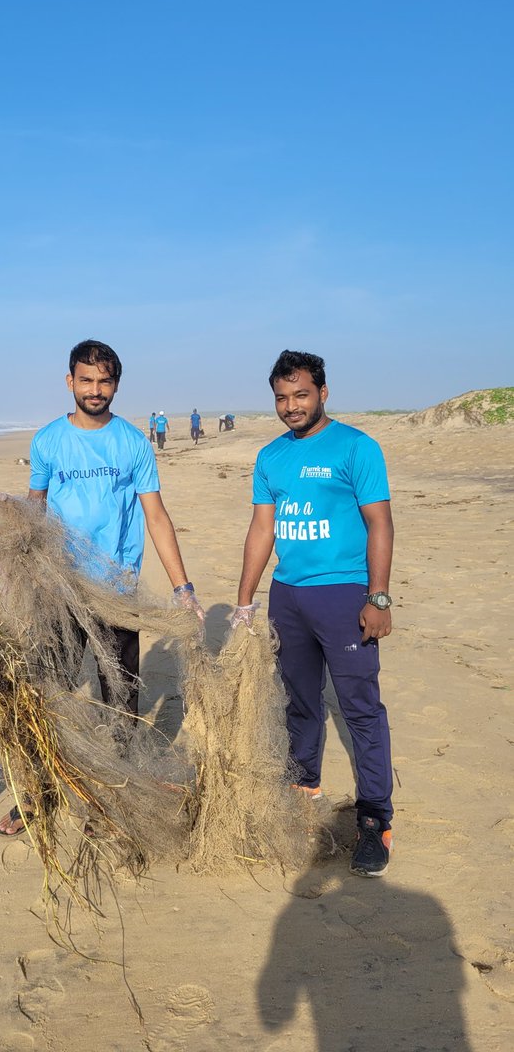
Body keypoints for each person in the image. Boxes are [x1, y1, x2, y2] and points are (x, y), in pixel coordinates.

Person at [0, 339, 203, 835]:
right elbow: (35, 509)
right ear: (70, 382)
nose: (95, 390)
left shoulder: (132, 442)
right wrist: (17, 570)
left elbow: (155, 514)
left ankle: (115, 796)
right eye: (86, 380)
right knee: (51, 693)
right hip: (61, 590)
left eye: (104, 381)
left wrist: (183, 587)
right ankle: (40, 790)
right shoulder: (47, 441)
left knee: (121, 696)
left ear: (116, 384)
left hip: (117, 591)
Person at [232, 350, 395, 876]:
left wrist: (379, 597)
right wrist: (244, 600)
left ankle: (374, 819)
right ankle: (304, 792)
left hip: (344, 595)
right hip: (289, 596)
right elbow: (262, 530)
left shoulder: (356, 448)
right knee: (299, 703)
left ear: (323, 393)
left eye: (301, 394)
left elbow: (380, 524)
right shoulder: (270, 457)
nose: (291, 406)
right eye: (281, 397)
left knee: (360, 707)